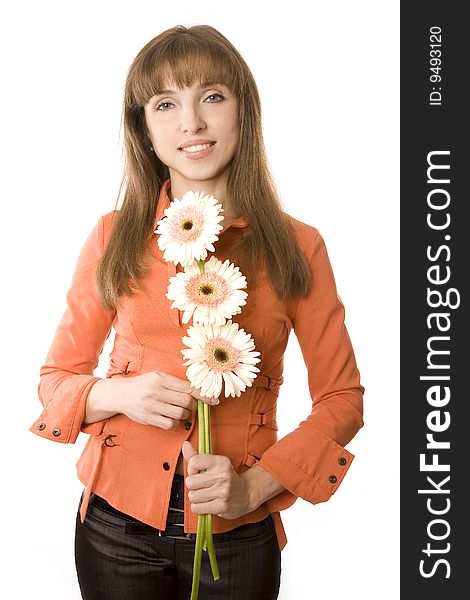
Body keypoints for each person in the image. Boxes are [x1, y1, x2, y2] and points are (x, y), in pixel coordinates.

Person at [29, 24, 365, 600]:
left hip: (236, 534)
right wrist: (120, 394)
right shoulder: (113, 238)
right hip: (114, 527)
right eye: (166, 103)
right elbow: (54, 380)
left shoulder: (298, 247)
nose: (192, 123)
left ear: (243, 109)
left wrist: (255, 486)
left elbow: (342, 399)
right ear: (145, 128)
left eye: (212, 96)